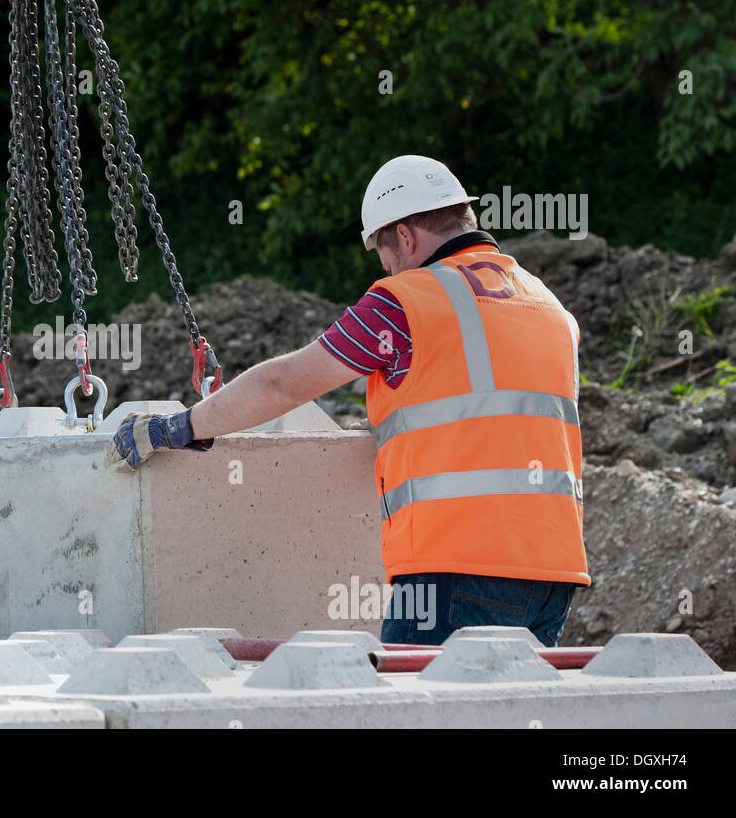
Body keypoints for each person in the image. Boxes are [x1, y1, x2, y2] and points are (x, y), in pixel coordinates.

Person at [107, 154, 589, 647]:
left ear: (404, 235)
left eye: (385, 255)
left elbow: (284, 384)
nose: (386, 270)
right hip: (555, 573)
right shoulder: (550, 308)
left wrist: (185, 426)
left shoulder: (405, 301)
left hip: (455, 570)